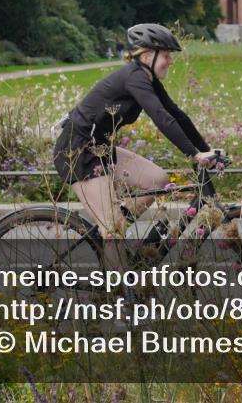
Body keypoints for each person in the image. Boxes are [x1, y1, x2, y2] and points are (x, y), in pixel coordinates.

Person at [52, 23, 218, 269]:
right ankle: (117, 286)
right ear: (148, 56)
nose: (170, 61)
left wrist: (205, 150)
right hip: (77, 151)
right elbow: (161, 118)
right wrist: (193, 154)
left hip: (99, 149)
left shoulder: (146, 78)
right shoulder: (135, 77)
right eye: (166, 55)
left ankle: (113, 236)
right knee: (113, 229)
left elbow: (176, 115)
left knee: (158, 181)